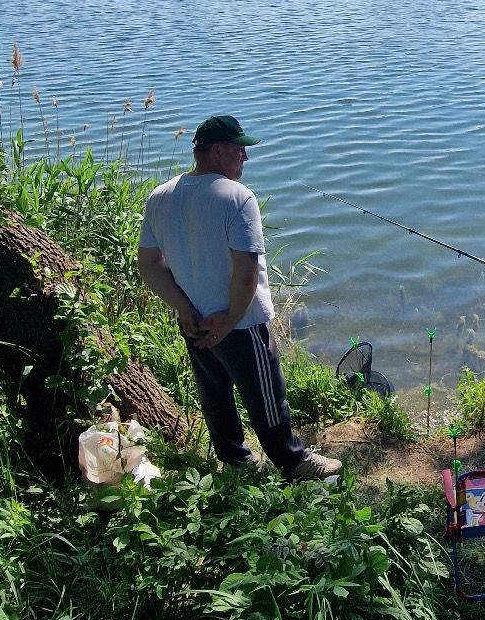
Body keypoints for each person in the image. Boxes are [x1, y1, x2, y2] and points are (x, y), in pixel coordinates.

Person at [137, 114, 342, 480]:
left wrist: (184, 308)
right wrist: (230, 319)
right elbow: (246, 272)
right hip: (240, 323)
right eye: (239, 149)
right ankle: (294, 462)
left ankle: (236, 462)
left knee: (215, 395)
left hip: (194, 321)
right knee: (267, 395)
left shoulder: (160, 196)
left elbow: (149, 264)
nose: (245, 157)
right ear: (217, 151)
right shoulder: (237, 197)